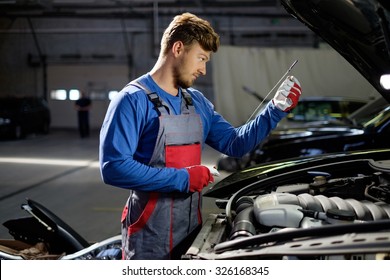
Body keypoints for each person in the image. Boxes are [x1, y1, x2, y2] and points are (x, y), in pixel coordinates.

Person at [99, 12, 301, 260]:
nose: (203, 70)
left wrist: (274, 110)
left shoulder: (197, 102)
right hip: (148, 237)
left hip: (192, 230)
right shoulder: (132, 100)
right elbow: (114, 167)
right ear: (178, 48)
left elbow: (234, 144)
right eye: (201, 58)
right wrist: (184, 179)